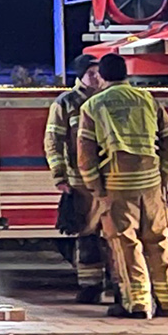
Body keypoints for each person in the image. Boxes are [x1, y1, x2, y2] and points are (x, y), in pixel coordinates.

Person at [78, 54, 168, 319]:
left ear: (102, 76)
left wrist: (96, 188)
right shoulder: (147, 99)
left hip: (118, 185)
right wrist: (163, 175)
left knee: (126, 244)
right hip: (151, 184)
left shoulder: (93, 106)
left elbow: (86, 155)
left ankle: (137, 304)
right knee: (158, 240)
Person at [43, 59, 111, 305]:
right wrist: (60, 176)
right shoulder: (66, 102)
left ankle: (120, 286)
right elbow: (53, 141)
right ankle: (91, 287)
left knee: (114, 235)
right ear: (80, 76)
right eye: (90, 73)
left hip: (110, 178)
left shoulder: (107, 99)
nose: (96, 77)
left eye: (98, 73)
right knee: (87, 235)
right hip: (80, 181)